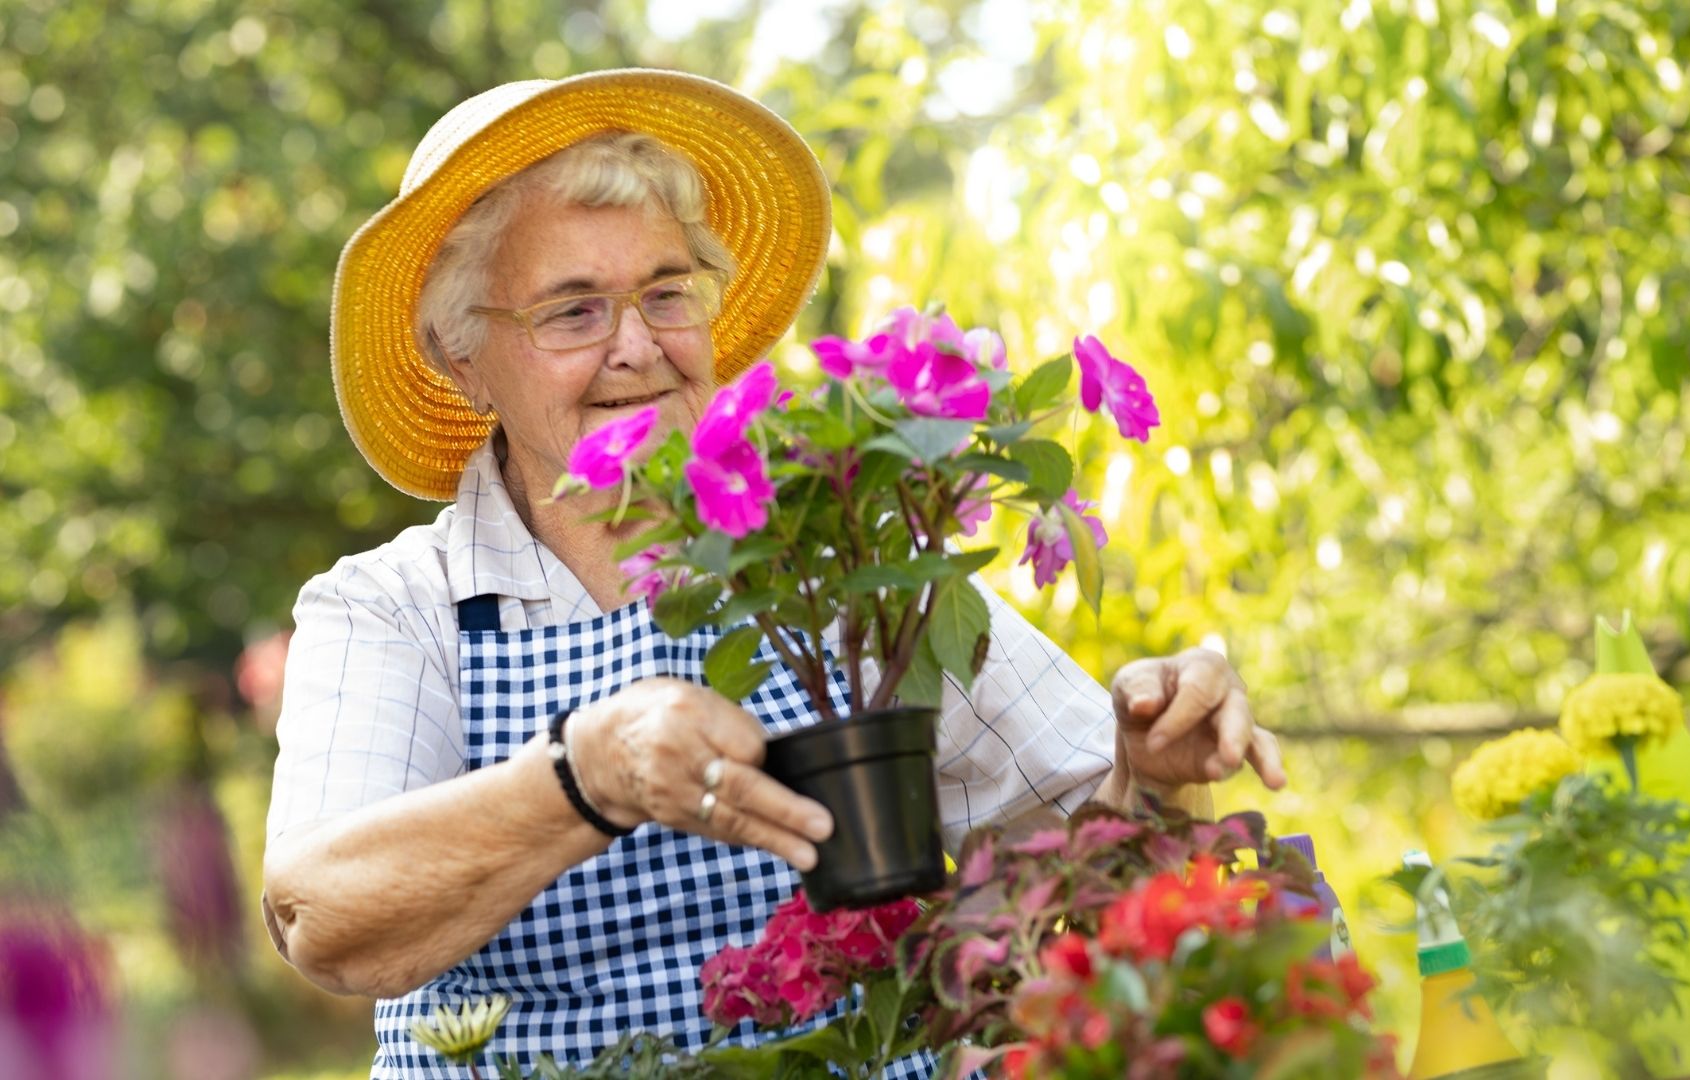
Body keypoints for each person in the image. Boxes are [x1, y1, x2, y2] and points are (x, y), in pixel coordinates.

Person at [260, 69, 1287, 1078]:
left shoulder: (837, 553)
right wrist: (587, 773)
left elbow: (1093, 881)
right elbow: (322, 916)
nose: (636, 347)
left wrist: (1149, 771)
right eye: (572, 312)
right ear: (460, 354)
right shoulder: (398, 610)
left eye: (666, 294)